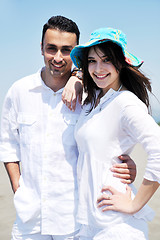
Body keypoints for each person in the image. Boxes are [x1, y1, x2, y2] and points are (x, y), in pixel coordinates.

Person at [0, 16, 136, 240]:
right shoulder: (19, 91)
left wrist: (126, 166)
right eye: (51, 48)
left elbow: (108, 145)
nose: (57, 57)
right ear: (41, 48)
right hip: (28, 221)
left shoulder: (91, 97)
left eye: (66, 50)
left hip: (75, 221)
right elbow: (8, 145)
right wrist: (18, 188)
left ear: (76, 53)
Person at [70, 27, 160, 239]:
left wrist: (134, 205)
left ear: (121, 63)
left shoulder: (126, 103)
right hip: (88, 223)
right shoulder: (93, 102)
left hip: (117, 225)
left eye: (106, 60)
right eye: (92, 61)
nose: (98, 68)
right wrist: (74, 77)